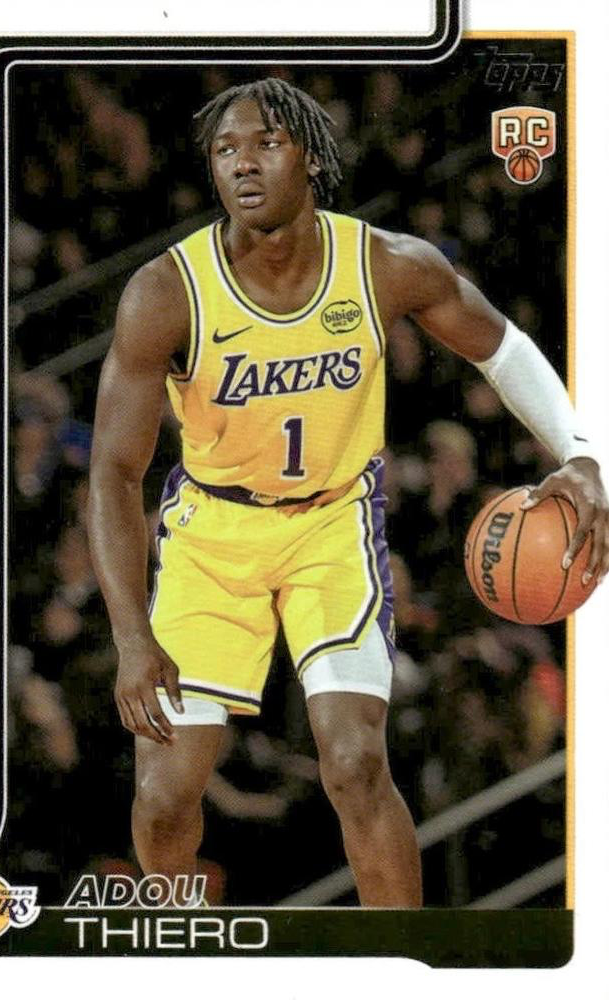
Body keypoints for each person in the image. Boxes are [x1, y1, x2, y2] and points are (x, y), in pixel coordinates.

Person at [87, 78, 609, 908]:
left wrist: (579, 453)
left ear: (312, 158)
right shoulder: (166, 291)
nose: (242, 164)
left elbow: (501, 347)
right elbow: (114, 474)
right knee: (162, 798)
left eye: (265, 144)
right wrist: (129, 636)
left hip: (332, 524)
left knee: (357, 763)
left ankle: (400, 957)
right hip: (212, 537)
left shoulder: (384, 264)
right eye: (225, 150)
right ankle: (179, 939)